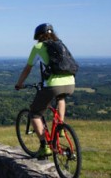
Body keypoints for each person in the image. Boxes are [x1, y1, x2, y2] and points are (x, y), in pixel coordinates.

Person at [15, 23, 75, 158]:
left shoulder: (38, 47)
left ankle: (44, 146)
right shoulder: (61, 45)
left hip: (53, 85)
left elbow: (27, 68)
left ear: (38, 36)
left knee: (34, 113)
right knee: (60, 99)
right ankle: (61, 128)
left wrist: (19, 84)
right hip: (71, 82)